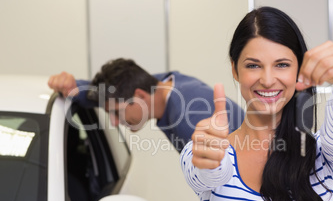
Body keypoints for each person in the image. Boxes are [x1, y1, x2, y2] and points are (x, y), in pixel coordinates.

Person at [180, 6, 333, 201]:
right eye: (253, 65)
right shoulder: (203, 153)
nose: (268, 80)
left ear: (299, 69)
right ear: (234, 69)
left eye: (281, 64)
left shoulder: (325, 157)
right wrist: (212, 160)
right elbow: (210, 174)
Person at [48, 59, 244, 152]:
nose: (115, 122)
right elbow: (104, 95)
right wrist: (73, 87)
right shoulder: (161, 83)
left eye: (117, 112)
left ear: (140, 96)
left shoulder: (188, 119)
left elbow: (225, 184)